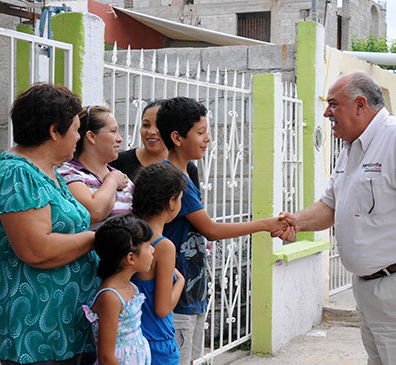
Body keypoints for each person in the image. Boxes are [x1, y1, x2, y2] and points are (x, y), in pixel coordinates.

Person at [278, 71, 396, 365]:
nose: (327, 113)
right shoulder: (351, 149)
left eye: (333, 104)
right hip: (372, 293)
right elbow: (331, 206)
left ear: (360, 104)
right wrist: (295, 221)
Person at [155, 97, 290, 364]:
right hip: (176, 293)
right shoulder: (174, 180)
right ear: (177, 137)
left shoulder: (184, 174)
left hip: (190, 291)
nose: (208, 139)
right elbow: (212, 230)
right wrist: (266, 224)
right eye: (201, 133)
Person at [0, 83, 100, 364]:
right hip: (35, 320)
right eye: (76, 129)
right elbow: (36, 250)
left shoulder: (47, 170)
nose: (79, 137)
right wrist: (98, 238)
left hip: (63, 321)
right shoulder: (17, 174)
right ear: (54, 131)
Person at [131, 163, 186, 365]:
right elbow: (162, 308)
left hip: (132, 339)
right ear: (171, 202)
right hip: (157, 342)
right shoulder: (163, 246)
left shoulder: (129, 232)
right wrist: (180, 281)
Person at [82, 214, 154, 365]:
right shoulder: (110, 297)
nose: (152, 250)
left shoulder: (131, 287)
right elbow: (106, 357)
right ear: (131, 258)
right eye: (148, 246)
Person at [57, 105, 133, 231]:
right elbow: (93, 212)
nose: (120, 139)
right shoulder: (67, 172)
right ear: (91, 136)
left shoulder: (123, 178)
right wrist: (112, 181)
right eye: (113, 131)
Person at [110, 100, 200, 189]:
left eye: (159, 125)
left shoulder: (187, 168)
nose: (151, 131)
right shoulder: (118, 162)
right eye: (146, 125)